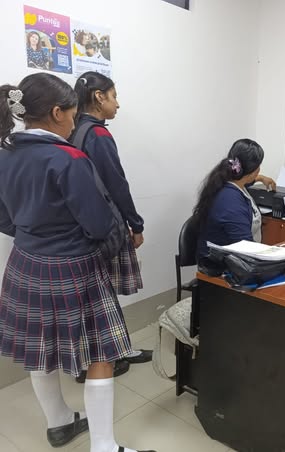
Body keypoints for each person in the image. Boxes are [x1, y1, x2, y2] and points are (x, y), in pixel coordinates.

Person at [0, 73, 155, 452]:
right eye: (71, 114)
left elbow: (3, 218)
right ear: (57, 113)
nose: (74, 122)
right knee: (101, 353)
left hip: (25, 263)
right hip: (72, 267)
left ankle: (59, 423)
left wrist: (33, 234)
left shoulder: (4, 155)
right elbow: (99, 224)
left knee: (39, 350)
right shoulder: (69, 159)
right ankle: (104, 446)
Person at [72, 72, 152, 383]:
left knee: (96, 296)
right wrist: (136, 224)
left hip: (82, 228)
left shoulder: (74, 130)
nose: (117, 104)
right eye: (114, 96)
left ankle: (119, 349)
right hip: (104, 228)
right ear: (99, 97)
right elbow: (117, 185)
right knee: (100, 298)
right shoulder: (98, 135)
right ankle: (100, 360)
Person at [193, 139, 276, 265]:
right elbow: (245, 248)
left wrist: (261, 178)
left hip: (228, 258)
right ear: (254, 170)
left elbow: (246, 181)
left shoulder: (226, 181)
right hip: (222, 266)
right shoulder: (231, 201)